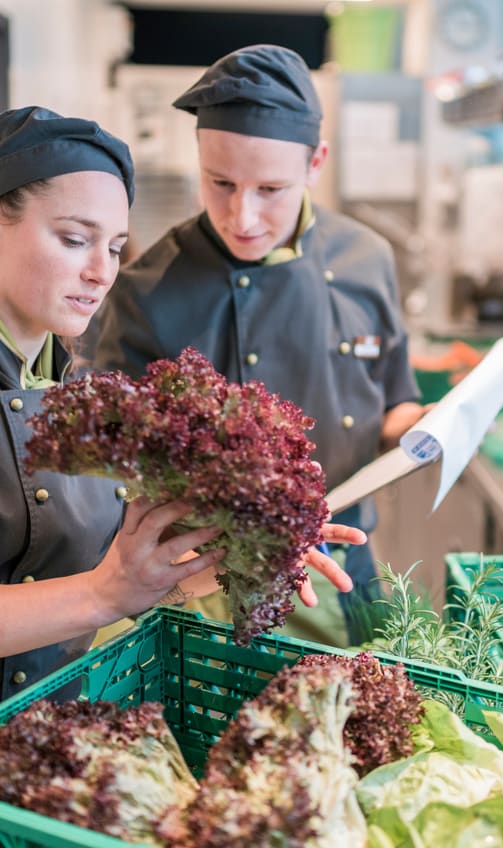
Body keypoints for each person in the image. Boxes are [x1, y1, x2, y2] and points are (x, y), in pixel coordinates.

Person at [0, 105, 364, 697]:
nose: (101, 271)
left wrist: (243, 543)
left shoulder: (66, 384)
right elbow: (98, 592)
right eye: (74, 239)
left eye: (116, 247)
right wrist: (102, 594)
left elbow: (122, 585)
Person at [89, 45, 426, 645]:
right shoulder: (145, 290)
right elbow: (116, 471)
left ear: (316, 162)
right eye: (220, 183)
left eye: (271, 188)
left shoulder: (366, 259)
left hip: (343, 566)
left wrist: (432, 428)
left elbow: (395, 400)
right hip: (201, 586)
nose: (242, 216)